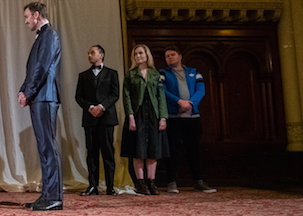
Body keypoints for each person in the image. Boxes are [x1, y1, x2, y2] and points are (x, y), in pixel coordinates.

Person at [18, 1, 63, 211]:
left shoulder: (50, 34)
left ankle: (54, 197)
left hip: (45, 97)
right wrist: (23, 89)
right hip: (39, 97)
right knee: (44, 149)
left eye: (27, 17)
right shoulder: (43, 35)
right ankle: (47, 195)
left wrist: (28, 92)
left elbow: (42, 68)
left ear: (36, 15)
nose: (26, 21)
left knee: (48, 148)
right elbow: (33, 68)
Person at [160, 46, 217, 194]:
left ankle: (198, 181)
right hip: (174, 118)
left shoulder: (193, 72)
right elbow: (162, 91)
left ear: (179, 56)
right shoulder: (163, 73)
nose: (170, 58)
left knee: (194, 150)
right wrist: (179, 101)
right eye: (167, 56)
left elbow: (201, 90)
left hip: (192, 117)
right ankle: (171, 182)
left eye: (172, 55)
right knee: (172, 150)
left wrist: (190, 103)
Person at [121, 44, 169, 196]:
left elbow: (161, 97)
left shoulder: (156, 74)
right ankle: (140, 182)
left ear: (147, 55)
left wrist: (163, 117)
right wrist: (130, 117)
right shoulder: (130, 75)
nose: (138, 56)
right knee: (138, 149)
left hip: (153, 115)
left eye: (141, 53)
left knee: (153, 150)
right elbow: (126, 97)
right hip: (137, 114)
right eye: (136, 54)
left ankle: (151, 181)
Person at [74, 45, 119, 196]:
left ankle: (110, 186)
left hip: (106, 118)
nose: (89, 55)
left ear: (101, 55)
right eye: (88, 53)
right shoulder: (83, 75)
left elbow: (115, 94)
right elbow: (78, 97)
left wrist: (101, 107)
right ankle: (92, 186)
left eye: (92, 52)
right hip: (90, 118)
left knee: (108, 153)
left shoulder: (112, 73)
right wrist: (91, 107)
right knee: (91, 153)